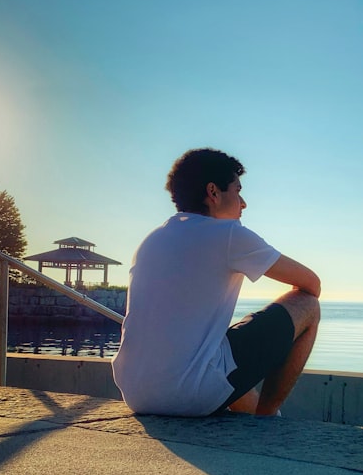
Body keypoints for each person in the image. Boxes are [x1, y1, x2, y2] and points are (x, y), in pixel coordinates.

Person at [111, 148, 321, 417]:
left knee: (216, 351)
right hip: (187, 396)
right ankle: (268, 421)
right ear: (213, 192)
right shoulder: (229, 234)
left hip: (137, 394)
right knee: (309, 306)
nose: (243, 202)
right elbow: (311, 284)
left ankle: (255, 412)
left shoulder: (152, 239)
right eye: (237, 190)